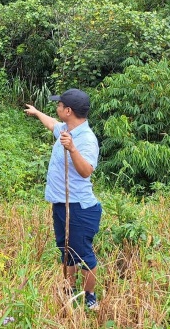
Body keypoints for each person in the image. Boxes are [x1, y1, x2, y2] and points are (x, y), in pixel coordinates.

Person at [24, 88, 102, 311]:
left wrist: (73, 149)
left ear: (68, 110)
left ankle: (89, 297)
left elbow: (86, 170)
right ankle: (68, 289)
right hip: (61, 204)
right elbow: (51, 124)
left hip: (79, 207)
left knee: (83, 254)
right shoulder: (66, 129)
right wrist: (37, 112)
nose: (56, 108)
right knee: (66, 250)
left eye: (59, 105)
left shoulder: (86, 139)